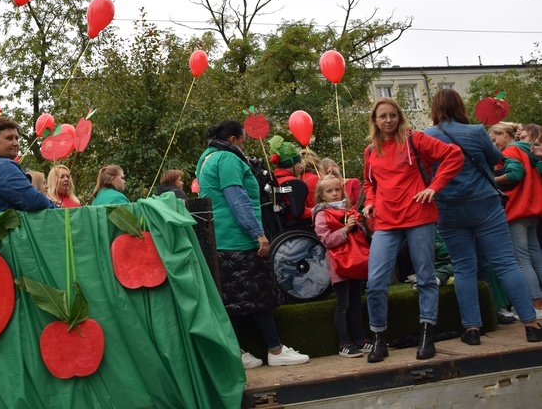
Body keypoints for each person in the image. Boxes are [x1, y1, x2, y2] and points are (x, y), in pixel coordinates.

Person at [424, 90, 542, 344]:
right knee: (506, 263)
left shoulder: (425, 136)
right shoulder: (477, 132)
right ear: (460, 106)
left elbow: (426, 173)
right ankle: (531, 325)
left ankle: (472, 330)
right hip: (484, 204)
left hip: (448, 208)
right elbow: (496, 160)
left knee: (464, 268)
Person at [196, 120, 309, 368]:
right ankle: (276, 351)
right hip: (238, 238)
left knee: (234, 300)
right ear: (234, 140)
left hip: (221, 238)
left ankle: (237, 352)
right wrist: (258, 232)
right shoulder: (227, 159)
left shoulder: (206, 159)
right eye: (244, 141)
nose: (245, 145)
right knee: (260, 295)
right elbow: (237, 199)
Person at [362, 97, 463, 362]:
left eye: (392, 115)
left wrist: (434, 187)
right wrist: (370, 203)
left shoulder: (414, 140)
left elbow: (453, 155)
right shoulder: (371, 150)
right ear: (374, 120)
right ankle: (378, 338)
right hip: (386, 221)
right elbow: (368, 182)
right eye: (382, 116)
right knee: (375, 283)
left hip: (419, 216)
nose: (388, 120)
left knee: (426, 278)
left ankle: (427, 334)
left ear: (399, 117)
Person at [313, 174, 371, 358]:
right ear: (321, 195)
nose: (335, 193)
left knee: (355, 302)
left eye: (337, 189)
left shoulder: (349, 209)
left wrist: (357, 225)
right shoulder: (321, 214)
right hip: (339, 264)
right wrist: (345, 229)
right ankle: (344, 343)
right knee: (343, 303)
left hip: (354, 261)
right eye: (329, 191)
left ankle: (361, 339)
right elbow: (327, 240)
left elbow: (362, 234)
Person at [488, 121, 542, 316]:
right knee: (536, 255)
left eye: (495, 140)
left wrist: (491, 179)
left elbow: (515, 173)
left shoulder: (510, 151)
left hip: (517, 209)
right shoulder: (529, 150)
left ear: (504, 134)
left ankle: (536, 304)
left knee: (522, 260)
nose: (495, 145)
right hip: (533, 208)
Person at [0, 117, 57, 213]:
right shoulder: (3, 166)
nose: (16, 143)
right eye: (9, 138)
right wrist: (59, 210)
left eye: (17, 138)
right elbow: (34, 201)